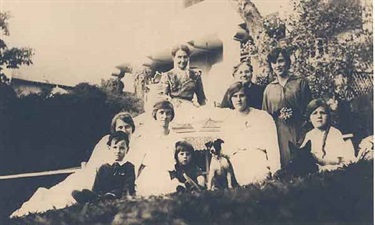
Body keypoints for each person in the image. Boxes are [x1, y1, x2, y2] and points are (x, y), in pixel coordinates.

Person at [11, 112, 138, 217]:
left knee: (71, 200)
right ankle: (26, 212)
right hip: (94, 176)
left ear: (132, 128)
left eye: (127, 127)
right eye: (120, 127)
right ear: (114, 129)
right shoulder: (107, 141)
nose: (124, 130)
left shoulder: (137, 145)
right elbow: (94, 164)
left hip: (116, 182)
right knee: (59, 193)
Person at [221, 82, 280, 185]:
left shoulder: (262, 117)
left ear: (247, 97)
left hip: (259, 157)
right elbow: (226, 150)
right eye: (235, 96)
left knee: (260, 178)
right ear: (230, 99)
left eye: (242, 96)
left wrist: (276, 170)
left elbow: (272, 146)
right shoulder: (227, 122)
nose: (238, 100)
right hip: (238, 160)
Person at [262, 47, 312, 168]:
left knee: (302, 164)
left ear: (287, 62)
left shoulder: (300, 82)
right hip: (279, 133)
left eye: (280, 61)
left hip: (299, 129)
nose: (277, 65)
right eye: (274, 62)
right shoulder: (269, 89)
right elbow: (265, 117)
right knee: (284, 164)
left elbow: (310, 109)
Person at [72, 131, 135, 204]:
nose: (118, 151)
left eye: (122, 148)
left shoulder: (129, 167)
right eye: (115, 147)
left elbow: (128, 188)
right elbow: (96, 188)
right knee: (78, 192)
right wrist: (95, 194)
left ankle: (99, 200)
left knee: (110, 196)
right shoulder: (103, 168)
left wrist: (116, 195)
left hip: (117, 197)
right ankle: (96, 200)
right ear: (109, 148)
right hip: (102, 196)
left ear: (127, 149)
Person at [134, 100, 180, 196]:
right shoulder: (147, 136)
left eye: (168, 113)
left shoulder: (176, 138)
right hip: (149, 176)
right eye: (161, 113)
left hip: (168, 177)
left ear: (172, 116)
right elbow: (138, 161)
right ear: (156, 114)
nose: (165, 116)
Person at [301, 99, 356, 171]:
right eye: (315, 113)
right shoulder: (309, 135)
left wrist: (318, 160)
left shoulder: (334, 133)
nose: (319, 116)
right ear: (309, 118)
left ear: (328, 116)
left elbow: (338, 160)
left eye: (322, 113)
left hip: (332, 170)